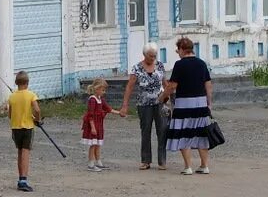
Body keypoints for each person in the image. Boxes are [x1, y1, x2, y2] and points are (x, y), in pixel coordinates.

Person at [163, 36, 213, 175]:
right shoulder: (202, 63)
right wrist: (209, 103)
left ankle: (188, 167)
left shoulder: (180, 65)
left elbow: (172, 86)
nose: (177, 53)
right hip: (201, 102)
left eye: (177, 50)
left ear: (182, 49)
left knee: (183, 133)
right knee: (202, 134)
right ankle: (204, 165)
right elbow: (208, 85)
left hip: (184, 103)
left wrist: (162, 97)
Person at [119, 42, 168, 170]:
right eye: (151, 56)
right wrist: (125, 105)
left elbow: (165, 83)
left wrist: (170, 98)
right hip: (144, 104)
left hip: (160, 102)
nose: (153, 58)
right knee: (145, 131)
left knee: (162, 131)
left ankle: (162, 161)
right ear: (145, 55)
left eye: (155, 55)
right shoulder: (137, 68)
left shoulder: (160, 66)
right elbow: (130, 86)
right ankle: (146, 160)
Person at [8, 70, 41, 192]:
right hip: (27, 127)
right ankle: (23, 180)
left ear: (16, 83)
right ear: (27, 83)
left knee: (20, 152)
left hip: (15, 128)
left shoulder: (12, 97)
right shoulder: (31, 95)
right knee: (26, 153)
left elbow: (10, 115)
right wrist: (37, 120)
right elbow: (37, 110)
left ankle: (20, 178)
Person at [81, 78, 113, 171]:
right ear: (97, 89)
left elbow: (108, 109)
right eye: (103, 90)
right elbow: (90, 115)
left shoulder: (100, 99)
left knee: (98, 144)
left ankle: (98, 162)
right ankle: (91, 164)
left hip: (99, 125)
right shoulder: (92, 100)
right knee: (93, 144)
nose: (104, 92)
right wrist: (93, 128)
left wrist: (120, 112)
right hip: (93, 125)